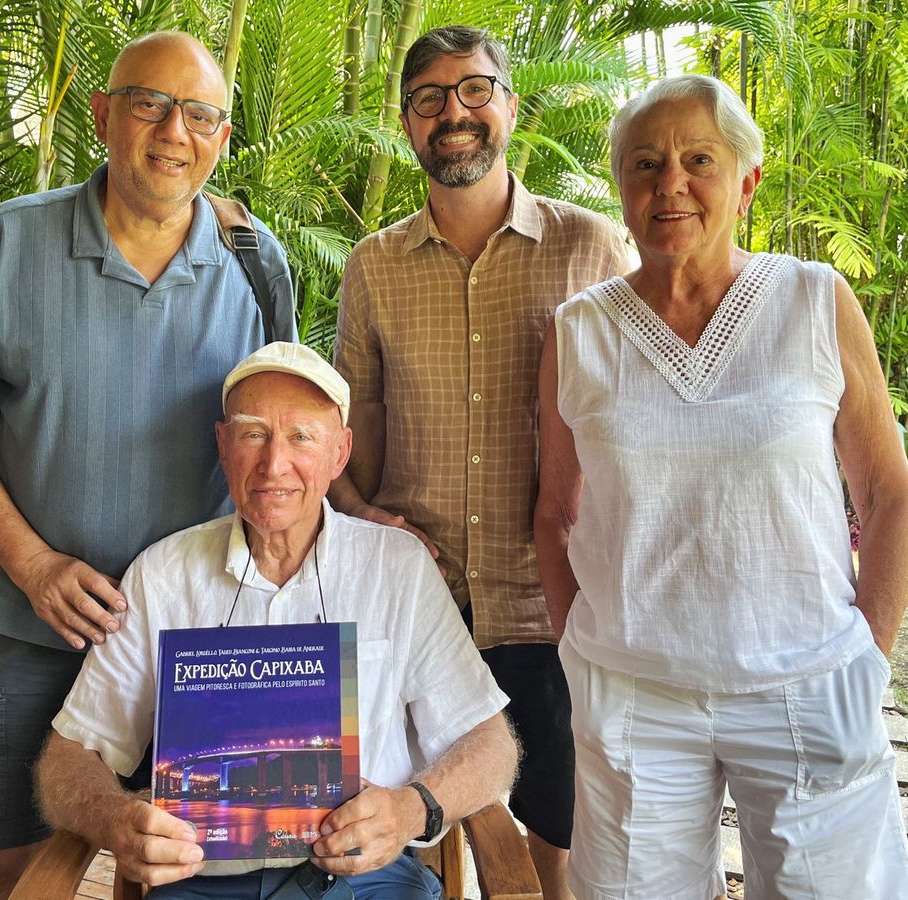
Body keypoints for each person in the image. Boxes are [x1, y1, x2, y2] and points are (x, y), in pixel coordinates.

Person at [0, 31, 295, 899]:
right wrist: (34, 563)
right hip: (32, 628)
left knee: (163, 866)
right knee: (11, 868)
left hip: (198, 639)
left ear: (223, 137)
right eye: (148, 104)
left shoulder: (255, 268)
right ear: (102, 115)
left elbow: (279, 447)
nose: (173, 130)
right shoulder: (6, 244)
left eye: (199, 113)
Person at [534, 73, 908, 899]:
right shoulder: (579, 331)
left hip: (807, 684)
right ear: (621, 190)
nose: (669, 182)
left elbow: (889, 495)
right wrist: (584, 653)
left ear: (745, 182)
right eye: (644, 163)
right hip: (635, 698)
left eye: (697, 159)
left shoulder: (814, 300)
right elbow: (555, 514)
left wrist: (867, 661)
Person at [36, 342, 518, 899]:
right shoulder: (163, 574)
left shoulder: (398, 568)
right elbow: (69, 755)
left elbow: (491, 743)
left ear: (340, 454)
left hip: (365, 879)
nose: (274, 464)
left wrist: (412, 811)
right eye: (252, 434)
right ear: (223, 445)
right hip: (203, 883)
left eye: (302, 437)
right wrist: (114, 818)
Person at [330, 26, 631, 899]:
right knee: (402, 826)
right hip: (416, 604)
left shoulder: (594, 249)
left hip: (551, 601)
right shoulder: (373, 266)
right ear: (406, 122)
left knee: (560, 833)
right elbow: (350, 429)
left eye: (473, 90)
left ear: (509, 105)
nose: (452, 114)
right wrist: (362, 512)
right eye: (429, 98)